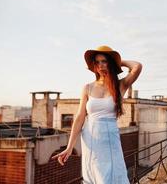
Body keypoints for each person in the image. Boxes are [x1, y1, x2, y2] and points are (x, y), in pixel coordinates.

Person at [52, 45, 142, 184]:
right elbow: (80, 117)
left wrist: (118, 62)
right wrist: (69, 147)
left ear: (110, 63)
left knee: (112, 174)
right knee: (94, 174)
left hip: (110, 137)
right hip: (90, 137)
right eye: (97, 62)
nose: (100, 65)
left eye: (104, 61)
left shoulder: (120, 85)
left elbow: (137, 66)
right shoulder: (88, 87)